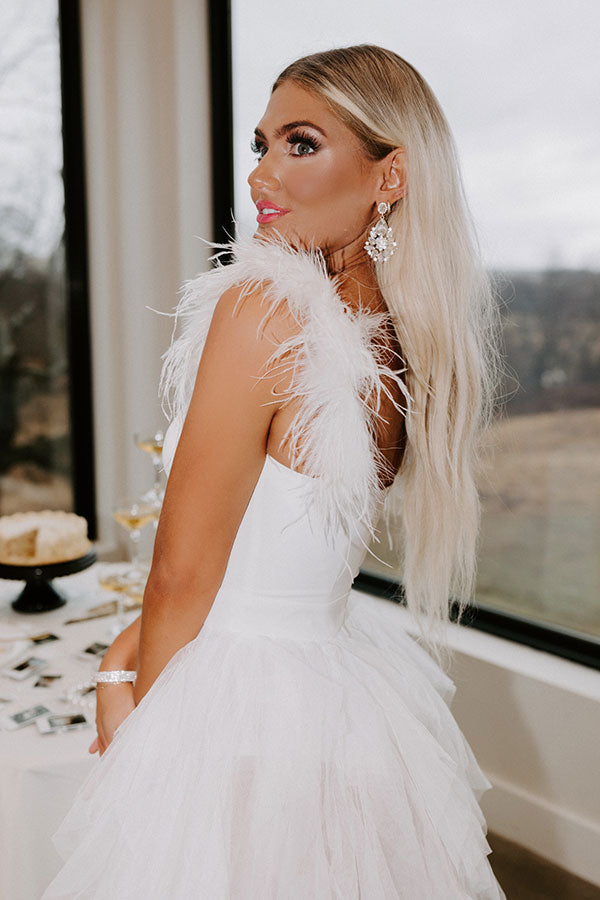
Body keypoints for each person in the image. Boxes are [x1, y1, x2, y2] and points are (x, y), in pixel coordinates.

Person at [43, 45, 505, 898]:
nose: (261, 173)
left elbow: (183, 577)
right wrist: (123, 644)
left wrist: (141, 737)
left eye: (301, 143)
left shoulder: (265, 309)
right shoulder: (397, 336)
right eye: (261, 144)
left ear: (389, 175)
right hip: (331, 699)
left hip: (229, 712)